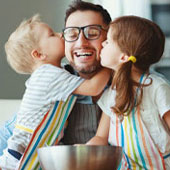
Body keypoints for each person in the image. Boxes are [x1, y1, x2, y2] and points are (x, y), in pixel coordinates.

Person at [0, 13, 110, 170]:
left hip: (40, 148)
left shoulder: (59, 73)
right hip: (23, 148)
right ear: (39, 54)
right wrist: (110, 63)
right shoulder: (48, 74)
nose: (60, 34)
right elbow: (94, 87)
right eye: (52, 35)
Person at [87, 15, 170, 170]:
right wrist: (81, 151)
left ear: (124, 56)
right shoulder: (111, 94)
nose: (102, 43)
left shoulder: (157, 87)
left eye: (109, 41)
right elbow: (101, 137)